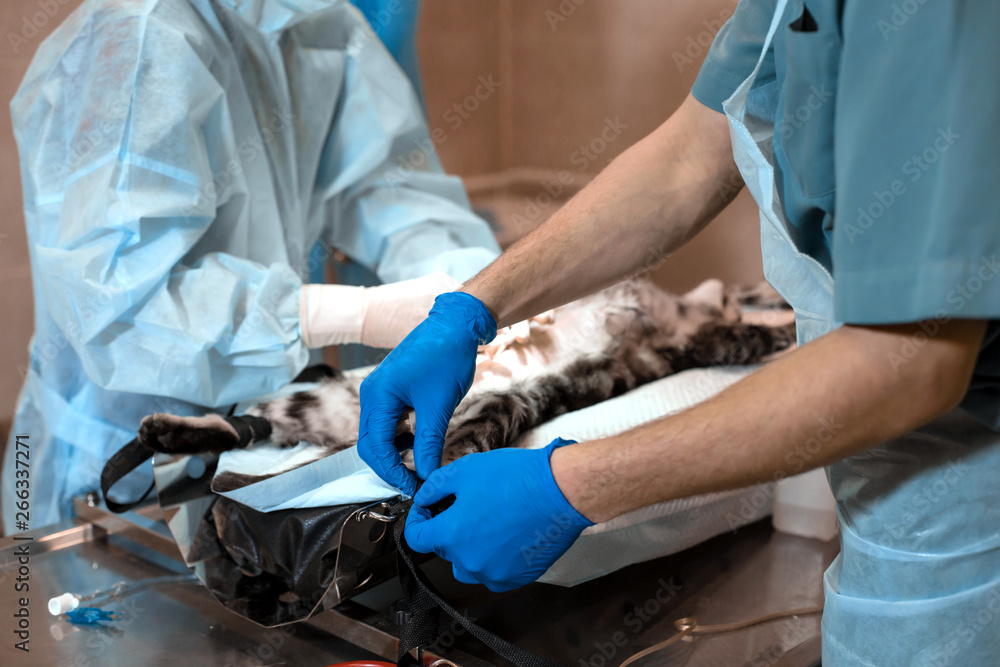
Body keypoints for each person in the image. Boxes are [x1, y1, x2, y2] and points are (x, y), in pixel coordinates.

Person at [357, 0, 1000, 664]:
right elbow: (689, 158)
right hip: (898, 521)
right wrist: (471, 308)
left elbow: (909, 357)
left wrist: (569, 486)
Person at [1, 0, 499, 532]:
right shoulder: (142, 31)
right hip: (113, 470)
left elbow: (391, 191)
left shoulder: (314, 21)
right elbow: (118, 304)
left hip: (255, 443)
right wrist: (347, 313)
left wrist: (484, 292)